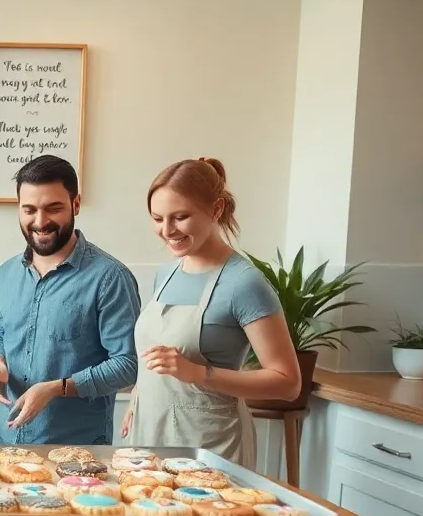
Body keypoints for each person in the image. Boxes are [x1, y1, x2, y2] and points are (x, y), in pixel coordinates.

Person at [122, 158, 300, 468]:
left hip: (210, 446)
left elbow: (287, 383)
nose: (167, 231)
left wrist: (198, 374)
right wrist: (139, 396)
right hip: (151, 434)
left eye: (180, 217)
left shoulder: (243, 282)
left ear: (216, 210)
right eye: (157, 218)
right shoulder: (166, 274)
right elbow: (158, 354)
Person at [0, 155, 141, 445]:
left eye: (53, 208)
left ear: (76, 204)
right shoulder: (6, 275)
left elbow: (126, 365)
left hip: (75, 451)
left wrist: (58, 388)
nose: (40, 222)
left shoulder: (110, 278)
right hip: (1, 442)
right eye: (29, 210)